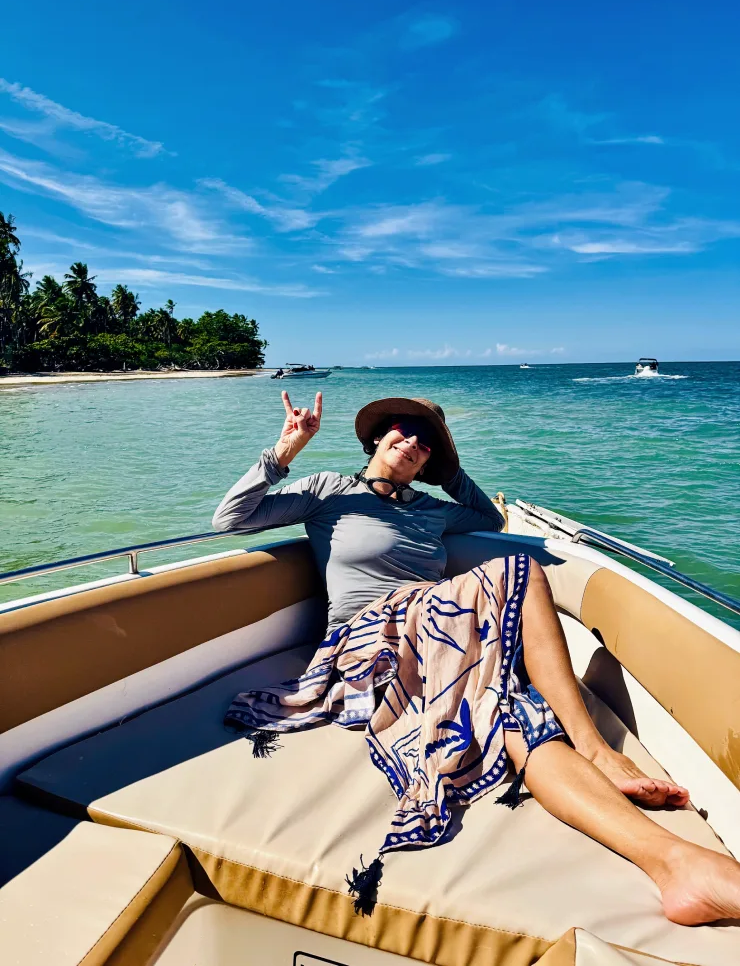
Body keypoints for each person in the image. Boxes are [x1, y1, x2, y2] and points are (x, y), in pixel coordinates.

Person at [213, 391, 740, 926]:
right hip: (368, 645)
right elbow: (231, 517)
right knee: (521, 570)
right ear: (376, 435)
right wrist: (287, 448)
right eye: (403, 430)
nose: (413, 443)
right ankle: (596, 750)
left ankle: (677, 866)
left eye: (427, 444)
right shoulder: (328, 491)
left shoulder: (431, 512)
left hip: (437, 638)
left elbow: (485, 515)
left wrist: (452, 471)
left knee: (510, 714)